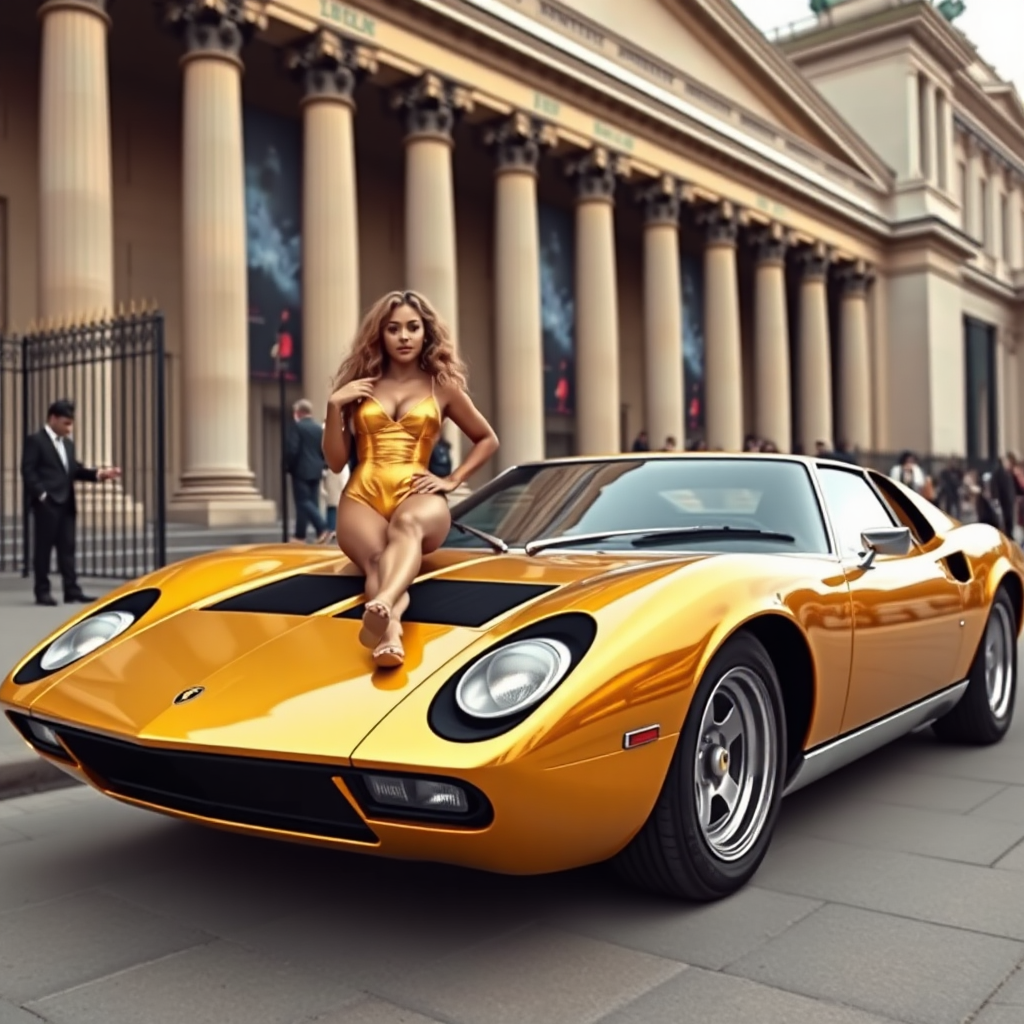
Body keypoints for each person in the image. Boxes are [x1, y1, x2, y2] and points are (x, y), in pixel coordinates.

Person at [322, 290, 499, 669]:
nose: (404, 336)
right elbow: (336, 463)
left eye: (412, 328)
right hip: (362, 494)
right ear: (380, 336)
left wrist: (453, 479)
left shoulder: (443, 387)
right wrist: (334, 406)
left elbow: (487, 439)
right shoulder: (359, 387)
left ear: (426, 334)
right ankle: (390, 635)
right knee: (375, 560)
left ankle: (384, 605)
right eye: (394, 328)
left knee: (407, 524)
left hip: (418, 492)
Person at [21, 399, 121, 606]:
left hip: (67, 503)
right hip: (47, 504)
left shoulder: (68, 444)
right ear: (53, 419)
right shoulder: (36, 440)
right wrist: (42, 495)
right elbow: (28, 470)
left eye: (71, 423)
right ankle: (42, 591)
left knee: (67, 548)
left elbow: (74, 469)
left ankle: (72, 590)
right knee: (44, 549)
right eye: (66, 423)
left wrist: (100, 474)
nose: (69, 428)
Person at [285, 398, 330, 544]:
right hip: (316, 470)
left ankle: (322, 527)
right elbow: (324, 450)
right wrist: (323, 466)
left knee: (303, 501)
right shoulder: (319, 428)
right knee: (311, 503)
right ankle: (300, 535)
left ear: (298, 412)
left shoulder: (297, 427)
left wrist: (287, 466)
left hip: (301, 470)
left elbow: (292, 449)